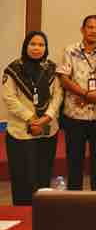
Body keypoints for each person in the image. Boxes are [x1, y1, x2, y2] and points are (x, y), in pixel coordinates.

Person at [56, 15, 96, 191]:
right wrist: (85, 93)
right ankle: (74, 199)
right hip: (75, 114)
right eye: (90, 27)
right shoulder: (70, 50)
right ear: (82, 29)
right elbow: (64, 78)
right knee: (74, 160)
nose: (94, 31)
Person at [2, 32, 62, 205]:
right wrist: (32, 118)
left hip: (48, 131)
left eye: (41, 45)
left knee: (43, 176)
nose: (37, 48)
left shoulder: (52, 68)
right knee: (23, 177)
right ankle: (23, 216)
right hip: (20, 133)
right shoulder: (13, 69)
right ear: (25, 46)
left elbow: (58, 95)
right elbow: (9, 98)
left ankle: (41, 215)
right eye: (33, 44)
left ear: (46, 47)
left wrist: (46, 118)